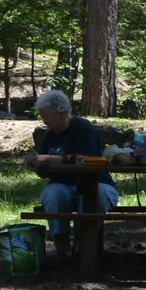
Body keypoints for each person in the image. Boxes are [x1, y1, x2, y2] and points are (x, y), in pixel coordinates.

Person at [26, 89, 118, 262]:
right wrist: (37, 164)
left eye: (46, 116)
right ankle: (62, 250)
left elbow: (88, 160)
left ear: (60, 114)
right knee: (53, 195)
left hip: (97, 183)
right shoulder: (50, 135)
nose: (44, 121)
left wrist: (53, 159)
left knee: (95, 196)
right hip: (63, 185)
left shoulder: (83, 128)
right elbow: (44, 172)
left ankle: (84, 250)